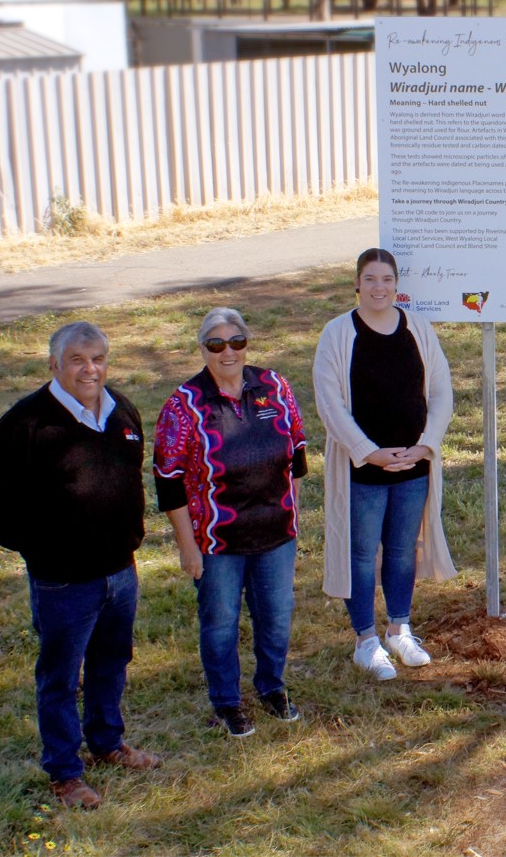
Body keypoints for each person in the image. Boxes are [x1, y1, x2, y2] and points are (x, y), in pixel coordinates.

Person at [0, 322, 161, 809]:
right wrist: (40, 550)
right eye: (77, 359)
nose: (89, 368)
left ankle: (107, 743)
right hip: (63, 581)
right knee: (60, 677)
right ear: (53, 364)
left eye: (97, 357)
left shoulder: (122, 410)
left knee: (112, 663)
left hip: (120, 570)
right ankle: (64, 772)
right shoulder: (26, 425)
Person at [154, 308, 307, 737]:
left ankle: (272, 687)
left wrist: (292, 510)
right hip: (217, 539)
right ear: (202, 349)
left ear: (247, 344)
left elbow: (296, 450)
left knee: (276, 617)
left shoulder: (273, 386)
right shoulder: (183, 405)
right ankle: (226, 702)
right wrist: (187, 546)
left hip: (276, 533)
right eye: (216, 344)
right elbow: (168, 482)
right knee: (220, 622)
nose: (228, 352)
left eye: (236, 342)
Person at [313, 248, 455, 680]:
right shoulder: (337, 334)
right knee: (359, 554)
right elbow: (330, 403)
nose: (379, 287)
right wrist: (367, 450)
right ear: (357, 284)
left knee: (400, 550)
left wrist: (426, 445)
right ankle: (365, 640)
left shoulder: (418, 329)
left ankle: (398, 629)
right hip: (362, 469)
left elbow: (442, 392)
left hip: (413, 466)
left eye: (387, 279)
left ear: (397, 285)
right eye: (370, 279)